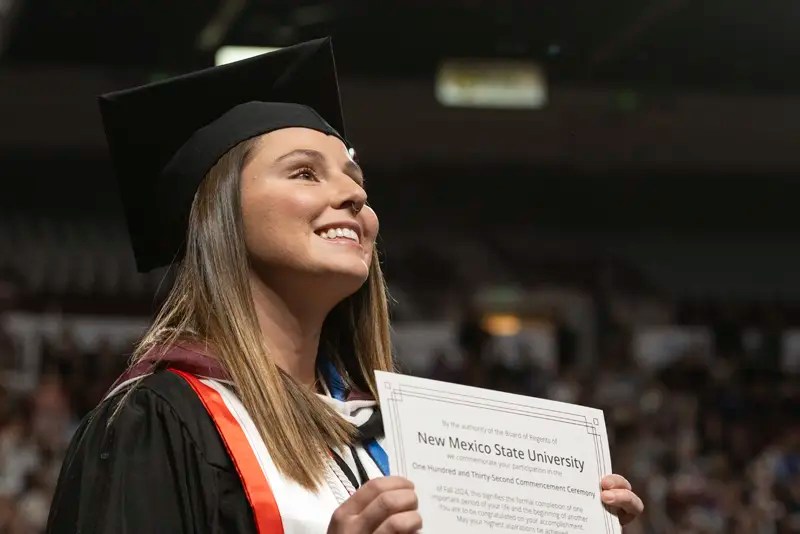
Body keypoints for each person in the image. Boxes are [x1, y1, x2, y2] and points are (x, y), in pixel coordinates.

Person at [46, 37, 643, 533]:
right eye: (306, 172)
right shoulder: (155, 425)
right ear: (219, 217)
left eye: (356, 178)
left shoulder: (401, 434)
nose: (355, 194)